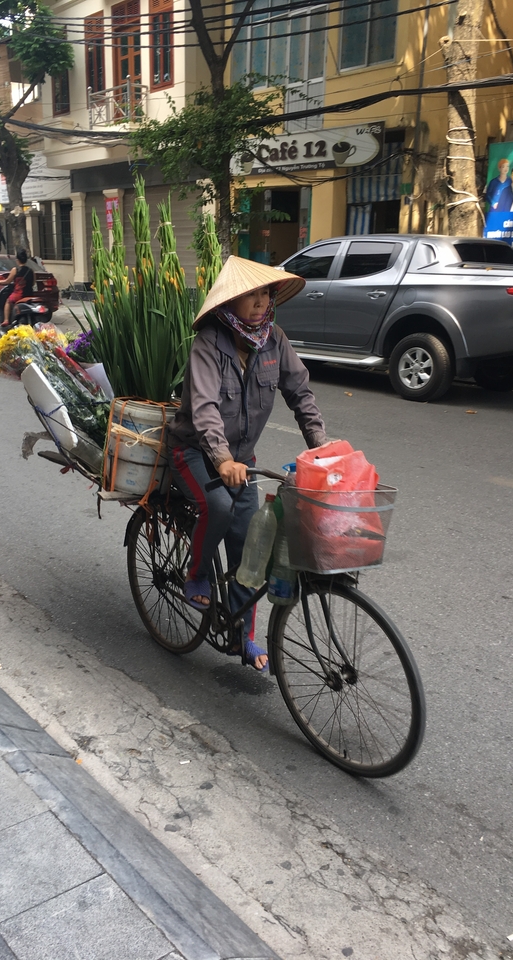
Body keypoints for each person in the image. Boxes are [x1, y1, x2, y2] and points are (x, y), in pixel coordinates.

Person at [168, 257, 329, 672]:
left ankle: (244, 637)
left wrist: (322, 449)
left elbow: (302, 395)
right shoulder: (208, 343)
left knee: (250, 550)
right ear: (231, 302)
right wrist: (221, 460)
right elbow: (203, 409)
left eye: (265, 294)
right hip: (193, 452)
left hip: (244, 460)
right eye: (250, 295)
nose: (259, 302)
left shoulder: (275, 340)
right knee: (217, 507)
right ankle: (197, 573)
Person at [0, 248, 35, 327]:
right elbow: (33, 283)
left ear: (17, 260)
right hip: (29, 294)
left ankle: (6, 320)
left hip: (18, 294)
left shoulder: (15, 270)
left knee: (8, 301)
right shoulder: (31, 270)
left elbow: (7, 281)